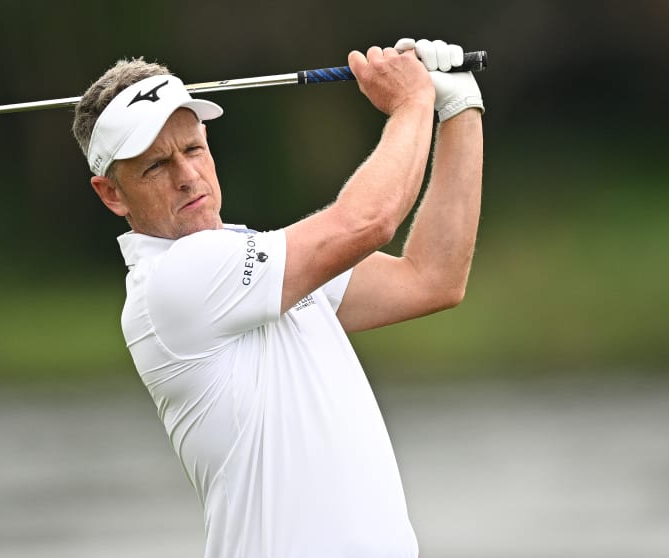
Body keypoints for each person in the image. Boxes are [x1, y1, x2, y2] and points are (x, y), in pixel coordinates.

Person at [71, 37, 483, 558]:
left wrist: (459, 108)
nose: (187, 177)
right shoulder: (172, 282)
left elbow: (432, 278)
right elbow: (367, 222)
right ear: (111, 193)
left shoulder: (254, 260)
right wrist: (413, 101)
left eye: (193, 149)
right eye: (155, 166)